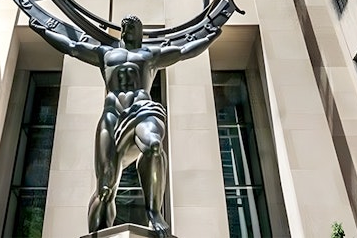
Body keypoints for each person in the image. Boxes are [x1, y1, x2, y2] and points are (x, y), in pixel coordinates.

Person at [29, 14, 220, 237]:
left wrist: (212, 34)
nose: (126, 29)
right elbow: (71, 46)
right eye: (124, 26)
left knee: (154, 146)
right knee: (105, 189)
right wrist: (42, 30)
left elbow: (184, 51)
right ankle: (97, 232)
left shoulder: (151, 54)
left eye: (132, 26)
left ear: (141, 31)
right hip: (112, 116)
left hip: (141, 111)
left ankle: (153, 211)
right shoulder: (106, 53)